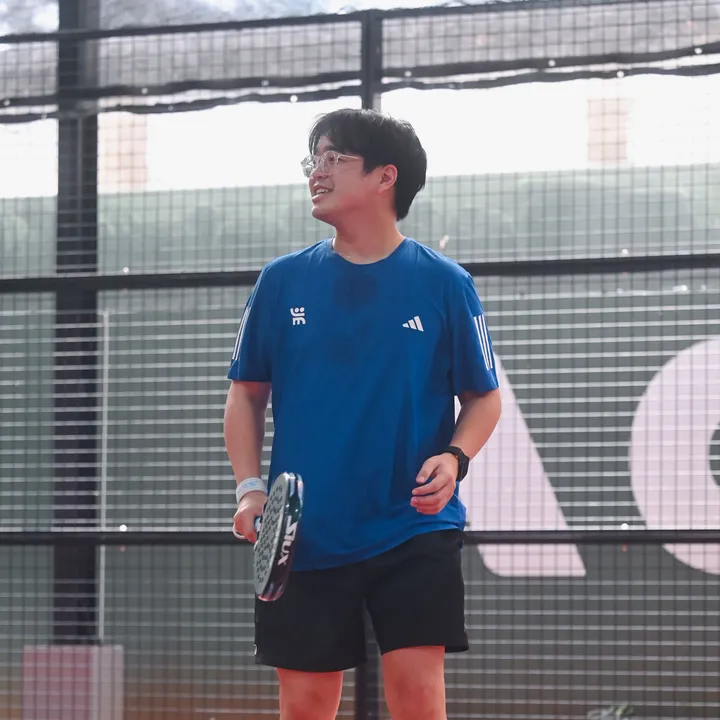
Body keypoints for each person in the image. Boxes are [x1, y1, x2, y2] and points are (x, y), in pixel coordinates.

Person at [224, 107, 502, 720]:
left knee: (418, 696)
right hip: (303, 531)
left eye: (334, 159)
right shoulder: (281, 282)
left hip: (414, 525)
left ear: (385, 177)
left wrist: (455, 458)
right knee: (305, 704)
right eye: (314, 159)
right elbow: (245, 395)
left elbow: (484, 397)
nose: (316, 172)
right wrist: (250, 490)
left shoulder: (446, 283)